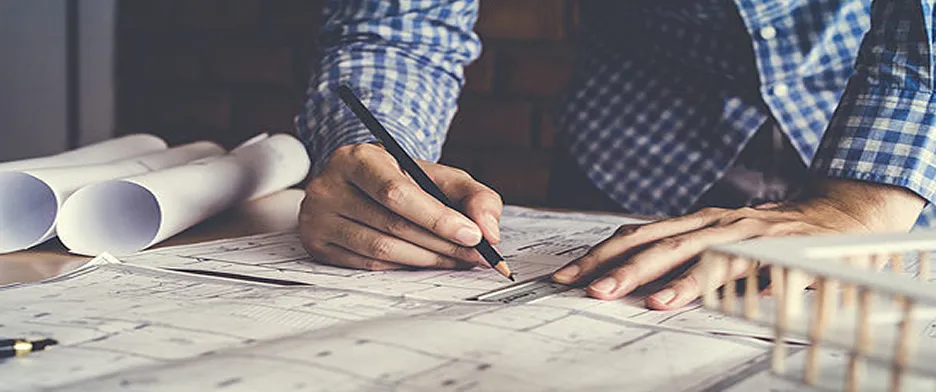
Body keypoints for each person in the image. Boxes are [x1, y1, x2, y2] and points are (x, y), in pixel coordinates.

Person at [295, 0, 934, 309]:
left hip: (891, 147)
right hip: (633, 146)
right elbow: (404, 24)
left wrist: (861, 202)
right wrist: (375, 156)